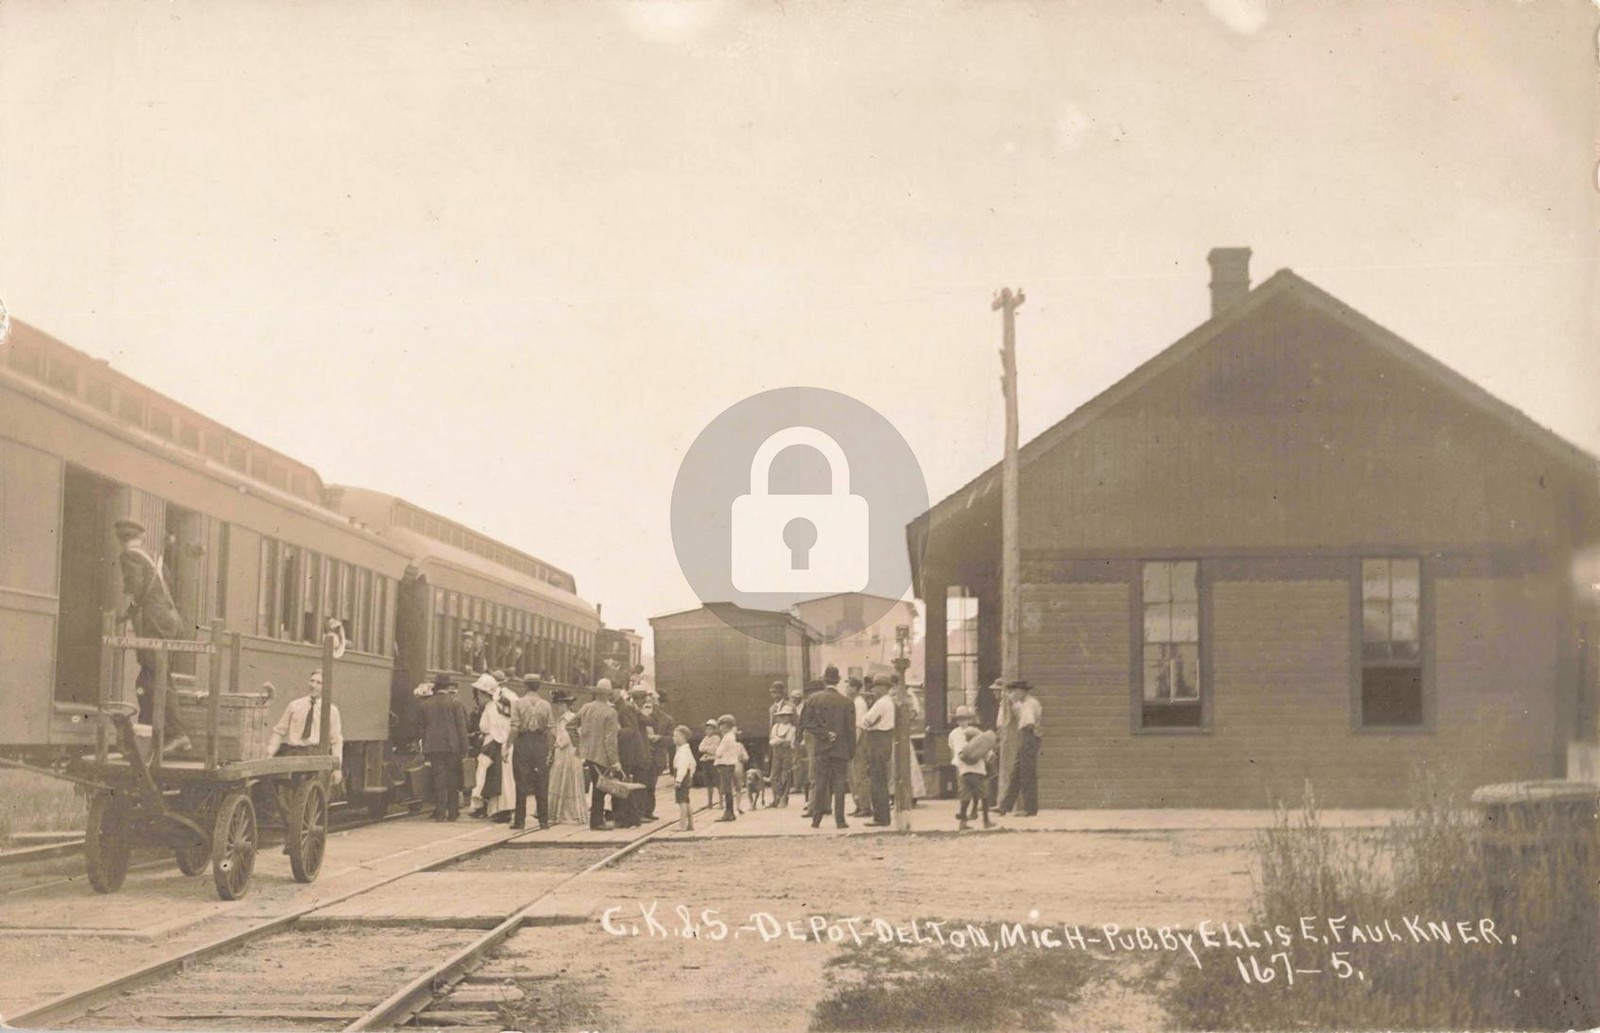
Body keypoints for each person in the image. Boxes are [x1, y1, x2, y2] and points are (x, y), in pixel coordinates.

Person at [114, 518, 190, 753]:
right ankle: (148, 734)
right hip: (170, 619)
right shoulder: (153, 556)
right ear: (141, 536)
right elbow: (168, 586)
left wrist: (124, 614)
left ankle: (177, 734)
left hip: (155, 622)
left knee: (157, 677)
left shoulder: (129, 556)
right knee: (146, 680)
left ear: (120, 539)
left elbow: (135, 590)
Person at [265, 668, 345, 782]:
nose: (313, 685)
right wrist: (270, 752)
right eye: (312, 681)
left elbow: (336, 741)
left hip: (316, 757)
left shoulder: (331, 711)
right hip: (294, 755)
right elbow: (279, 731)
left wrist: (337, 768)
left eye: (319, 683)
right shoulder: (294, 705)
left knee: (311, 787)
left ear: (325, 687)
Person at [802, 672, 855, 829]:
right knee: (839, 784)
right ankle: (840, 820)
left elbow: (805, 723)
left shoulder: (813, 700)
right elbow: (851, 730)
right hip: (841, 748)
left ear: (824, 681)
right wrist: (851, 751)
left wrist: (824, 733)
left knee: (820, 783)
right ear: (838, 681)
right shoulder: (847, 702)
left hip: (821, 748)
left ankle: (816, 819)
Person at [420, 673, 469, 820]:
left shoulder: (426, 704)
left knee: (438, 780)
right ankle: (453, 813)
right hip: (452, 747)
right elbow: (461, 727)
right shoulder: (455, 702)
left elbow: (423, 729)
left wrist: (425, 748)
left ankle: (440, 813)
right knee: (452, 780)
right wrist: (465, 747)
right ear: (448, 686)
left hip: (434, 747)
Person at [577, 679, 622, 831]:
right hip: (602, 756)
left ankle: (596, 820)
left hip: (588, 754)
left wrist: (581, 744)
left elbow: (571, 725)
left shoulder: (586, 708)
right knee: (600, 789)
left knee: (596, 787)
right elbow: (610, 739)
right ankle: (597, 822)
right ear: (608, 695)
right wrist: (615, 761)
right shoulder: (611, 712)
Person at [510, 674, 554, 830]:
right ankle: (543, 821)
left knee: (521, 782)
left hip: (523, 742)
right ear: (538, 686)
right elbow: (551, 730)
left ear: (525, 686)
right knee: (542, 782)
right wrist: (550, 749)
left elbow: (514, 727)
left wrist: (507, 746)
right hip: (540, 743)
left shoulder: (518, 703)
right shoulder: (546, 705)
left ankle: (520, 821)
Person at [996, 680, 1042, 817]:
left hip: (1028, 735)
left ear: (1022, 691)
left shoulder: (1029, 704)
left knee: (1027, 773)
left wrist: (1013, 703)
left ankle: (1030, 809)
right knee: (1016, 773)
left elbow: (1029, 722)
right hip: (1024, 737)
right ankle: (1005, 807)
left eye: (1015, 691)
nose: (1013, 694)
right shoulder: (1025, 703)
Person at [950, 706, 995, 831]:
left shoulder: (956, 734)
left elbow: (954, 749)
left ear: (968, 720)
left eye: (964, 719)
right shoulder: (975, 733)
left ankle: (963, 821)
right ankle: (985, 821)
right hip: (974, 769)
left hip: (963, 769)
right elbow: (986, 748)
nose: (962, 722)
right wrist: (989, 757)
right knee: (983, 795)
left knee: (965, 795)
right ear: (957, 721)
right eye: (960, 719)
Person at [860, 675, 896, 826]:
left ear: (882, 688)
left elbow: (865, 721)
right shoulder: (889, 702)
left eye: (874, 687)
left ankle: (880, 817)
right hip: (885, 739)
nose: (872, 690)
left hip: (877, 739)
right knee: (880, 779)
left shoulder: (881, 703)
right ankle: (882, 815)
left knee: (877, 780)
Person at [547, 690, 588, 825]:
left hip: (566, 753)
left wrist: (556, 744)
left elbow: (565, 738)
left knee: (563, 780)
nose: (558, 708)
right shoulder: (573, 717)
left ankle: (564, 813)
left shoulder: (565, 719)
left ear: (564, 705)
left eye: (559, 705)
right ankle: (572, 812)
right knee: (570, 781)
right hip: (572, 752)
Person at [614, 686, 650, 828]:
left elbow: (632, 731)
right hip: (629, 751)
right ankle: (632, 816)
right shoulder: (625, 707)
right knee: (626, 784)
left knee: (626, 785)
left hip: (629, 752)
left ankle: (632, 817)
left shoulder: (626, 708)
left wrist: (616, 731)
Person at [846, 676, 871, 816]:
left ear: (856, 688)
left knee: (859, 774)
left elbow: (859, 726)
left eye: (849, 686)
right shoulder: (853, 702)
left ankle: (865, 806)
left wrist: (853, 744)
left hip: (858, 741)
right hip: (853, 739)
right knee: (853, 775)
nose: (847, 689)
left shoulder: (859, 703)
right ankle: (859, 804)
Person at [712, 714, 742, 822]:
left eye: (721, 725)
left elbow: (719, 752)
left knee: (726, 789)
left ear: (725, 726)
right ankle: (729, 812)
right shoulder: (730, 736)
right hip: (727, 765)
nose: (720, 728)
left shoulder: (727, 737)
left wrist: (712, 751)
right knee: (727, 788)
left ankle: (729, 813)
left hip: (725, 765)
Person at [767, 704, 797, 807]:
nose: (784, 718)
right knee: (774, 776)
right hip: (776, 753)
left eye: (787, 715)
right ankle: (776, 797)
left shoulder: (792, 728)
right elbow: (771, 740)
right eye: (782, 715)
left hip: (787, 753)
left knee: (785, 774)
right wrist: (778, 741)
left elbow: (788, 741)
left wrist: (778, 741)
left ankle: (784, 797)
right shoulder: (775, 727)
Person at [671, 725, 696, 832]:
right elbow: (693, 764)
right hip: (686, 776)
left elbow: (682, 766)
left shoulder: (683, 751)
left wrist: (678, 780)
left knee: (682, 802)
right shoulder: (685, 749)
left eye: (676, 736)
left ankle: (682, 825)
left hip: (682, 777)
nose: (674, 738)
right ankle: (690, 824)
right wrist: (691, 775)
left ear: (683, 737)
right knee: (686, 800)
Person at [697, 718, 722, 810]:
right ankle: (710, 802)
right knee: (709, 783)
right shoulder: (705, 738)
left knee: (718, 782)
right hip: (706, 761)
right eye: (707, 729)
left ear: (714, 730)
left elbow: (714, 749)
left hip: (713, 761)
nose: (708, 731)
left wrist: (706, 749)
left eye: (710, 729)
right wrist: (708, 749)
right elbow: (700, 748)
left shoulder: (717, 738)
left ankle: (721, 802)